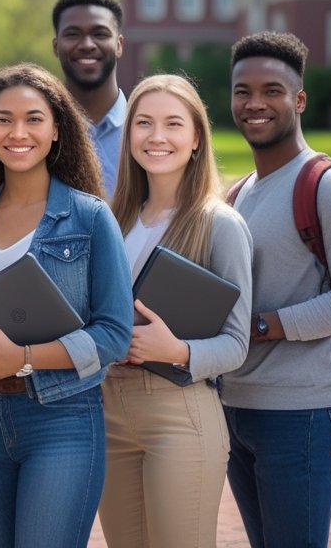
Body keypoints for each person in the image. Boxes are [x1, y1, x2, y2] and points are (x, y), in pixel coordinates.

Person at [0, 63, 131, 548]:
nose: (18, 132)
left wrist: (20, 359)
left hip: (62, 419)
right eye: (2, 119)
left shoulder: (90, 217)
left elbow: (114, 334)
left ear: (57, 129)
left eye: (33, 118)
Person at [222, 32, 331, 548]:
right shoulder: (239, 192)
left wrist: (265, 326)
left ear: (298, 100)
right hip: (236, 407)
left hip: (299, 414)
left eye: (272, 90)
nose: (254, 103)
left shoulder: (326, 186)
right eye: (242, 90)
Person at [99, 73, 253, 548]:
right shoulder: (112, 219)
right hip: (107, 411)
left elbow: (236, 344)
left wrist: (178, 350)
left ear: (195, 140)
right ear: (128, 139)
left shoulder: (219, 224)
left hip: (178, 412)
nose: (157, 136)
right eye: (143, 123)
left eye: (172, 124)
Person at [52, 0, 126, 197]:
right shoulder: (37, 132)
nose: (86, 44)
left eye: (100, 34)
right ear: (56, 47)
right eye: (73, 34)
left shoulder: (145, 132)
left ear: (119, 45)